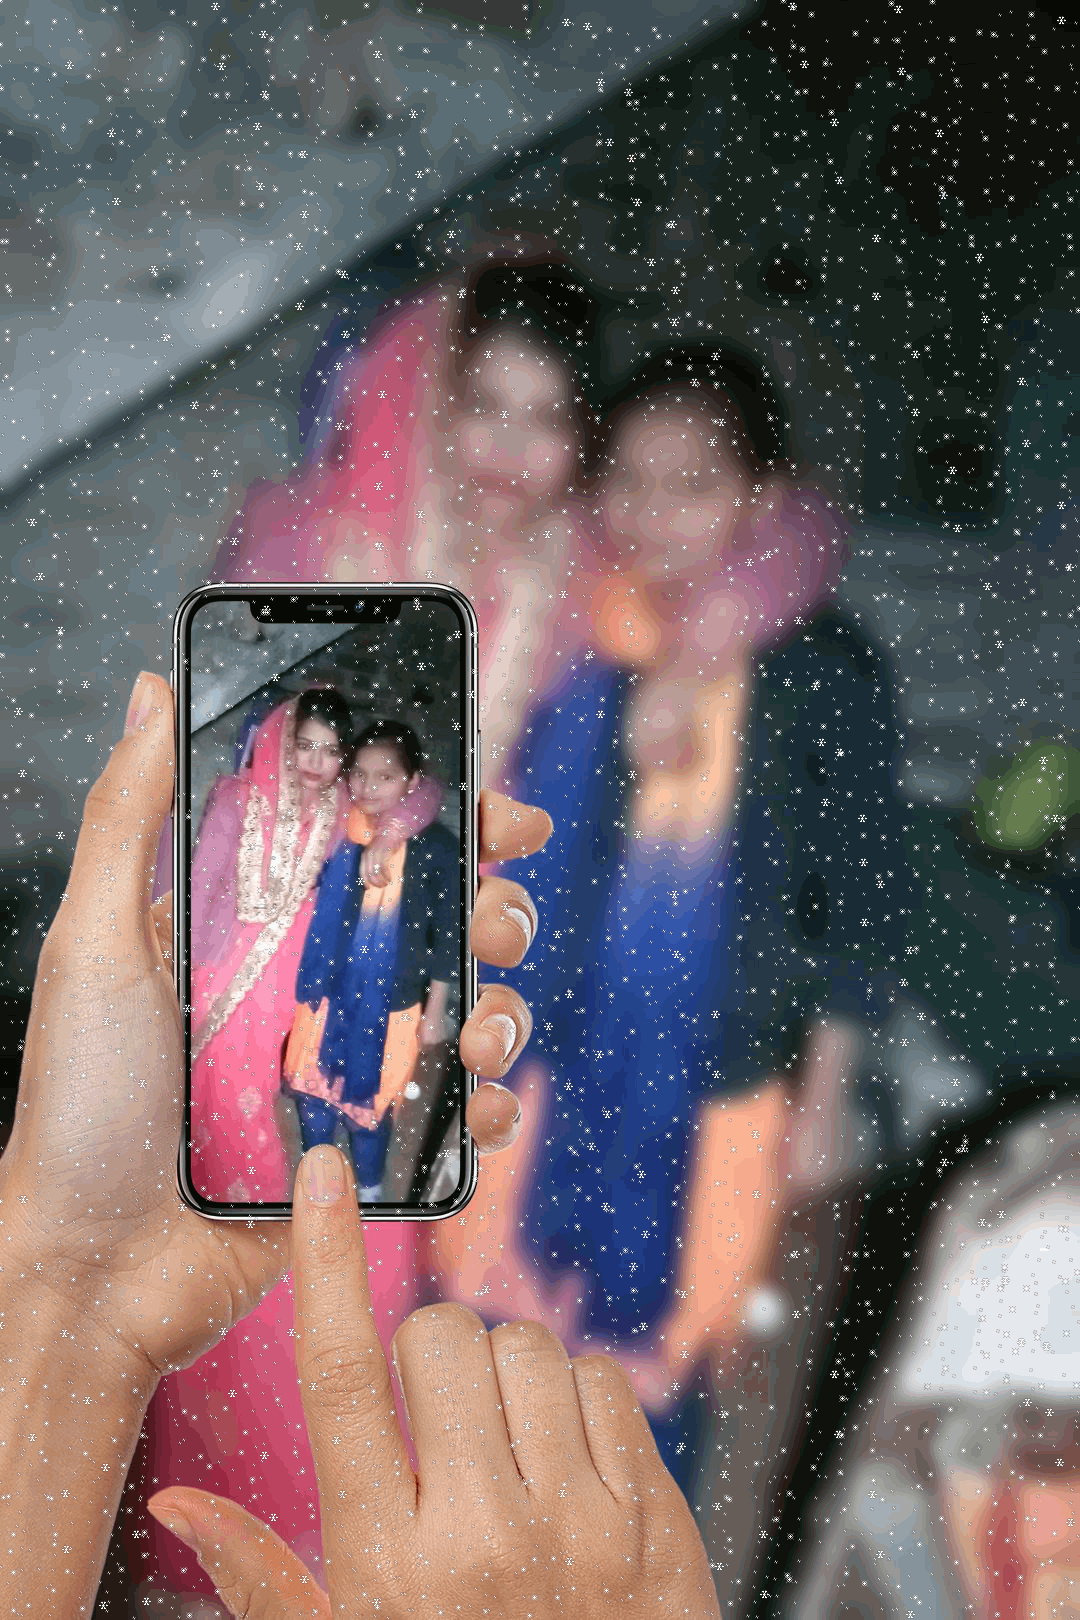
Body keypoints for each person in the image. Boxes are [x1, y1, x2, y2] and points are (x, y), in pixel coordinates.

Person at [0, 672, 723, 1620]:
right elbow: (241, 916)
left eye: (345, 760)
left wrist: (73, 1296)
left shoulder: (402, 839)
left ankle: (322, 1502)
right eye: (319, 753)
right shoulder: (259, 817)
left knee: (360, 1241)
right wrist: (74, 1286)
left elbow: (417, 931)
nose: (330, 772)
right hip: (260, 1030)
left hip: (361, 1032)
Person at [189, 685, 440, 1204]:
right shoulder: (237, 798)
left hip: (296, 969)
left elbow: (428, 790)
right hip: (226, 960)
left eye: (330, 751)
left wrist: (390, 834)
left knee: (256, 1081)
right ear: (284, 742)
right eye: (304, 745)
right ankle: (228, 1186)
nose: (315, 762)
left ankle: (248, 1191)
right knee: (216, 1076)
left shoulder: (342, 805)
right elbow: (200, 886)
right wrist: (184, 964)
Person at [284, 720, 458, 1201]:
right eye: (359, 774)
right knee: (312, 1097)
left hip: (392, 1003)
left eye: (385, 777)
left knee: (372, 1109)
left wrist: (436, 1012)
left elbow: (448, 937)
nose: (368, 787)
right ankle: (317, 1176)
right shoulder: (341, 829)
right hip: (326, 992)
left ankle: (371, 1190)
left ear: (412, 781)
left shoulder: (436, 848)